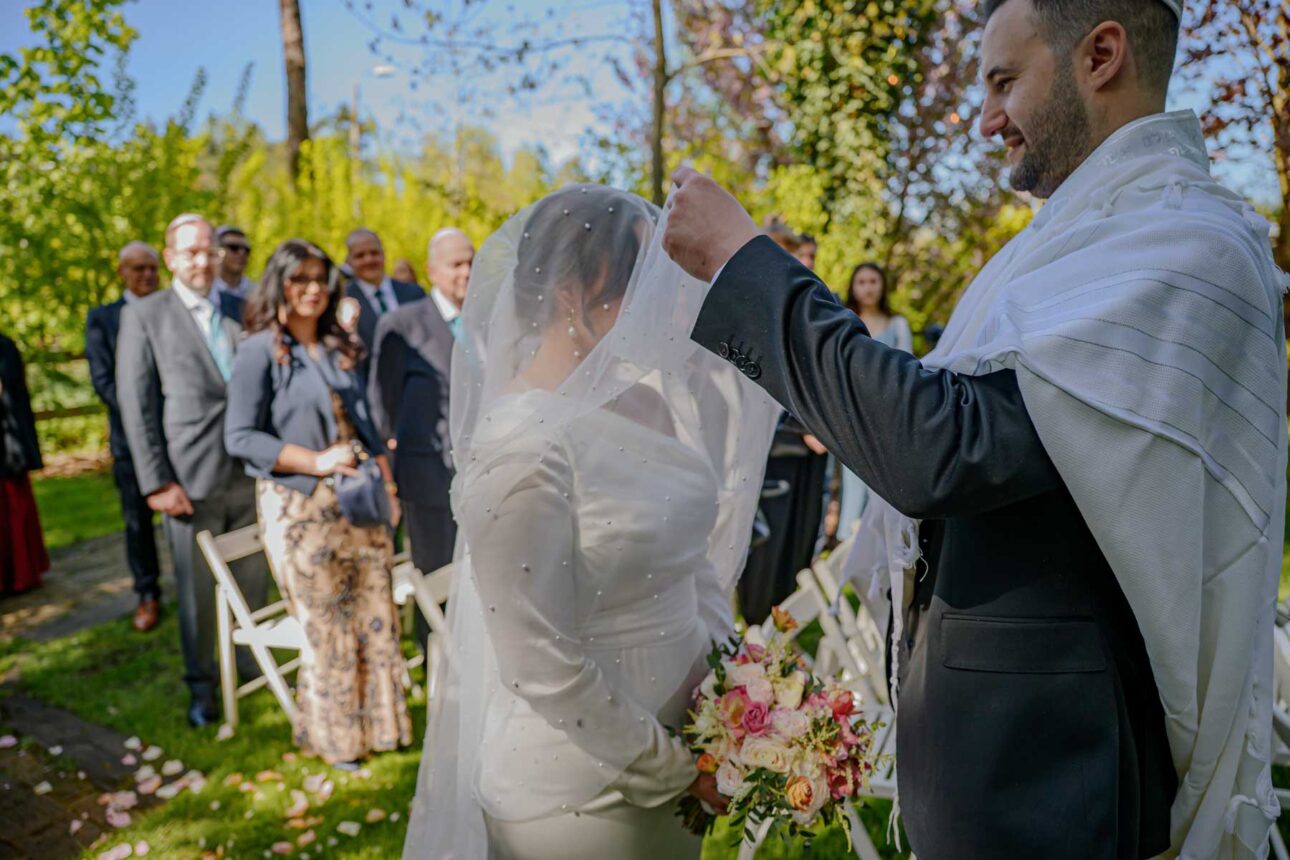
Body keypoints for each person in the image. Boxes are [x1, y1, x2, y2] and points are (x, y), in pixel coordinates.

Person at [662, 0, 1288, 856]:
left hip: (1049, 779)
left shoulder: (1187, 244)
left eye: (1004, 81)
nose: (986, 118)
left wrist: (747, 266)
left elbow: (941, 446)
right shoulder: (1065, 246)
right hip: (982, 759)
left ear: (1101, 55)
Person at [403, 185, 778, 859]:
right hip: (581, 790)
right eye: (639, 288)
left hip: (693, 741)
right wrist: (674, 769)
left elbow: (691, 560)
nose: (663, 307)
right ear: (573, 294)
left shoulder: (648, 399)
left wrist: (737, 687)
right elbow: (537, 660)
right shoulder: (519, 446)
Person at [225, 238, 411, 770]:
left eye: (319, 280)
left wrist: (388, 485)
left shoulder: (337, 345)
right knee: (327, 626)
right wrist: (314, 461)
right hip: (300, 510)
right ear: (278, 283)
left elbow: (368, 423)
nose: (311, 290)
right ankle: (336, 740)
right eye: (299, 279)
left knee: (376, 616)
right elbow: (239, 436)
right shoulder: (258, 349)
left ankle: (382, 727)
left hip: (360, 504)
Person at [116, 213, 269, 728]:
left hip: (246, 475)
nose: (203, 261)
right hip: (186, 481)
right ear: (171, 258)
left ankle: (252, 663)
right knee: (198, 595)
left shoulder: (238, 309)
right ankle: (202, 688)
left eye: (209, 251)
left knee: (252, 577)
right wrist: (157, 482)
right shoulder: (146, 315)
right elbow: (135, 405)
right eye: (191, 253)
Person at [369, 228, 473, 646]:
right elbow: (383, 403)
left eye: (471, 261)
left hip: (482, 473)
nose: (466, 272)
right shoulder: (403, 323)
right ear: (431, 270)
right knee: (439, 582)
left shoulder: (489, 321)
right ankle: (437, 675)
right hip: (429, 478)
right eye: (456, 264)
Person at [737, 219, 829, 624]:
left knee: (797, 539)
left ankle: (779, 627)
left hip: (808, 450)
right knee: (765, 545)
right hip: (769, 454)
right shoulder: (746, 309)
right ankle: (757, 628)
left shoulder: (806, 305)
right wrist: (800, 429)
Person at [85, 241, 164, 630]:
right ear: (122, 273)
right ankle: (147, 594)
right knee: (138, 521)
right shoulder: (103, 319)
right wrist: (143, 419)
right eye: (138, 268)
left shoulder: (173, 311)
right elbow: (104, 381)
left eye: (152, 267)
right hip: (131, 441)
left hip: (181, 436)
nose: (147, 275)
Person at [835, 263, 913, 539]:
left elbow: (908, 372)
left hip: (887, 417)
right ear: (853, 287)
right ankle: (849, 544)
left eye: (873, 281)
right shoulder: (842, 321)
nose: (868, 287)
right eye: (862, 282)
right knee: (854, 485)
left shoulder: (897, 325)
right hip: (851, 415)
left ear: (882, 285)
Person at [0, 332, 49, 596]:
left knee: (14, 510)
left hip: (7, 448)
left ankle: (20, 576)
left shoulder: (4, 347)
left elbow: (13, 396)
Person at [343, 228, 425, 362]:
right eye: (360, 255)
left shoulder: (414, 293)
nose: (369, 260)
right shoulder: (343, 301)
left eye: (374, 253)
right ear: (349, 261)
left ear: (383, 254)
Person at [213, 226, 256, 299]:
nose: (242, 253)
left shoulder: (256, 293)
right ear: (217, 251)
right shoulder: (206, 288)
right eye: (234, 248)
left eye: (246, 250)